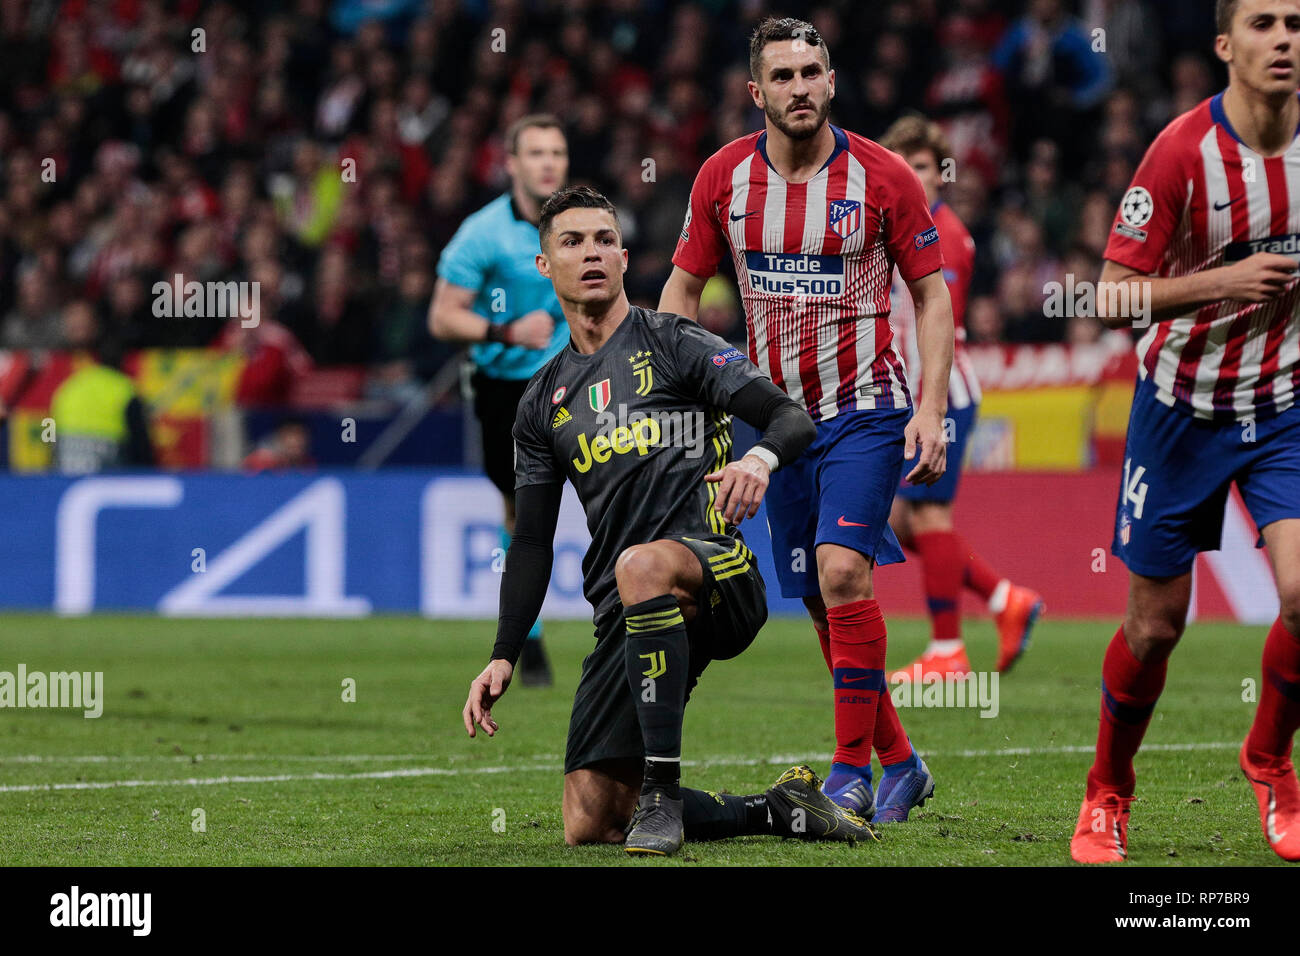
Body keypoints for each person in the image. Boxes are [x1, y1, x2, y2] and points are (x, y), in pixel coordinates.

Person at [462, 185, 872, 856]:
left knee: (642, 562)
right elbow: (533, 541)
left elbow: (788, 417)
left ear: (623, 257)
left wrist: (760, 461)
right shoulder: (541, 403)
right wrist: (504, 653)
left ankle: (661, 791)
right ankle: (775, 810)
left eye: (602, 240)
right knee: (590, 821)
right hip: (626, 611)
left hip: (718, 572)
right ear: (544, 267)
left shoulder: (675, 342)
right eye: (571, 242)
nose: (590, 253)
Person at [659, 17, 953, 823]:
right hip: (775, 422)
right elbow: (681, 292)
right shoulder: (722, 179)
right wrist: (683, 396)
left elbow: (931, 292)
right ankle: (903, 763)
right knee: (825, 603)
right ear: (757, 92)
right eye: (782, 76)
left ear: (831, 82)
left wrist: (931, 406)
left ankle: (848, 772)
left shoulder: (885, 176)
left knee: (841, 573)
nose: (799, 88)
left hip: (867, 409)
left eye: (811, 72)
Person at [1071, 0, 1300, 863]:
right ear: (1224, 44)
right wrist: (1221, 282)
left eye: (1297, 23)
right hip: (1180, 409)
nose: (1283, 39)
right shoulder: (1182, 152)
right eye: (1265, 23)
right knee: (1156, 626)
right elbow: (1109, 294)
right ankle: (1108, 793)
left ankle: (1272, 761)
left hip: (1283, 406)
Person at [879, 115, 1045, 683]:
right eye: (902, 166)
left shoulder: (942, 232)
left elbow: (938, 318)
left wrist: (929, 402)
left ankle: (947, 648)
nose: (913, 177)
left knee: (928, 513)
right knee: (904, 521)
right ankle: (1004, 598)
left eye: (923, 167)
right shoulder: (903, 225)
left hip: (942, 391)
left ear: (941, 175)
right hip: (917, 392)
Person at [432, 114, 570, 687]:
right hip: (503, 389)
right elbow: (443, 317)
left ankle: (638, 623)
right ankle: (527, 640)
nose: (547, 163)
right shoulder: (482, 233)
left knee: (619, 485)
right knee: (521, 510)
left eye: (557, 152)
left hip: (572, 378)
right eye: (535, 153)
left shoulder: (581, 224)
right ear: (511, 164)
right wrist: (506, 332)